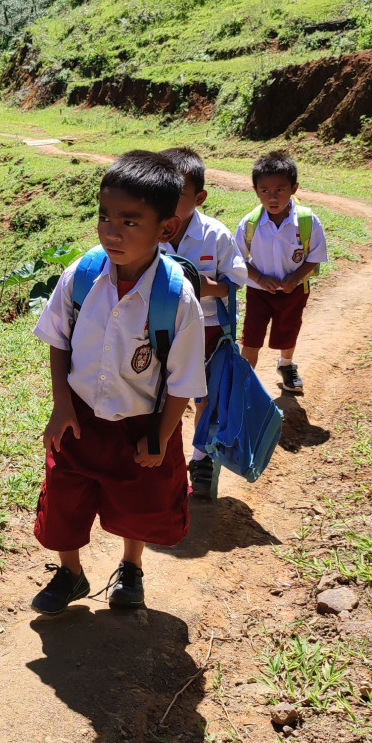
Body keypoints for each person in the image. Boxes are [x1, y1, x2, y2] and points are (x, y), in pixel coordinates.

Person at [30, 150, 207, 614]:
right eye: (104, 217)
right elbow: (58, 340)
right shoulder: (84, 274)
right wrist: (61, 405)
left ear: (165, 230)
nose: (112, 231)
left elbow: (184, 379)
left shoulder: (175, 297)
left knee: (140, 503)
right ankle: (69, 573)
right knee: (63, 499)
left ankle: (131, 568)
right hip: (81, 417)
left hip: (141, 423)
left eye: (130, 222)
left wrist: (161, 436)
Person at [159, 147, 248, 498]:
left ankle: (201, 458)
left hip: (209, 331)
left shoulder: (216, 234)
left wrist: (202, 286)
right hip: (162, 329)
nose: (166, 201)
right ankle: (166, 462)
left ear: (199, 198)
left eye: (176, 194)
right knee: (163, 396)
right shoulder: (149, 230)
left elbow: (235, 280)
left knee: (205, 399)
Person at [234, 151, 328, 395]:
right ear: (255, 191)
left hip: (293, 291)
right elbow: (237, 259)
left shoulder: (307, 221)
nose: (272, 197)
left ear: (294, 188)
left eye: (280, 190)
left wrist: (296, 277)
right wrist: (260, 278)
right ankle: (244, 382)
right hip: (258, 293)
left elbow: (315, 256)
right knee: (251, 336)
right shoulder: (250, 224)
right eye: (264, 190)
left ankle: (286, 365)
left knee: (288, 331)